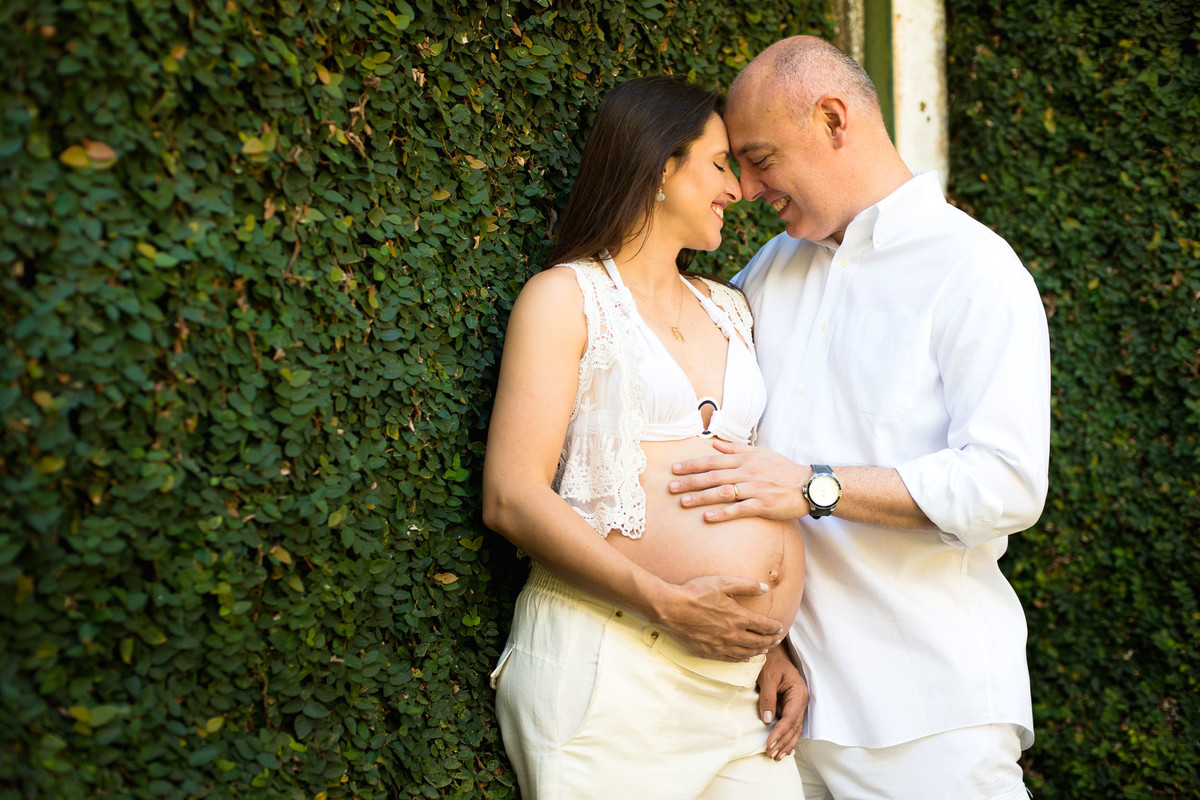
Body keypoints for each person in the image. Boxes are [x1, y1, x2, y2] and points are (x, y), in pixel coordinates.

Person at [667, 37, 1052, 800]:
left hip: (927, 713)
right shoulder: (771, 269)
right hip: (778, 708)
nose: (744, 186)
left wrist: (815, 487)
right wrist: (770, 641)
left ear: (834, 119)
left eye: (761, 156)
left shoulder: (974, 271)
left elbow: (1007, 485)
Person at [482, 76, 809, 798]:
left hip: (740, 690)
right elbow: (511, 497)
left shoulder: (730, 308)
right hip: (619, 667)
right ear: (662, 166)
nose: (737, 189)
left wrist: (776, 643)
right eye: (720, 163)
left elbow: (745, 486)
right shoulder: (566, 298)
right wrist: (664, 602)